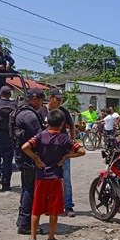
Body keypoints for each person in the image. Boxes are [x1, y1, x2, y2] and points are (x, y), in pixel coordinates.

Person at [21, 109, 86, 240]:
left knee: (36, 209)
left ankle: (33, 239)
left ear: (47, 122)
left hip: (41, 177)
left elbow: (25, 147)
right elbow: (82, 151)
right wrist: (65, 157)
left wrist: (36, 158)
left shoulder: (40, 136)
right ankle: (51, 239)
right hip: (56, 178)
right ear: (62, 124)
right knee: (54, 210)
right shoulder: (64, 138)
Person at [10, 88, 45, 234]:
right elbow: (40, 136)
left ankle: (22, 220)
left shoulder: (20, 111)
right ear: (34, 98)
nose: (42, 105)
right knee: (29, 190)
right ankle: (25, 224)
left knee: (26, 188)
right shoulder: (29, 114)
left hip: (22, 156)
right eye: (41, 101)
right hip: (29, 157)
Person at [38, 88, 77, 217]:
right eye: (58, 98)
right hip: (46, 153)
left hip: (63, 151)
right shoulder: (42, 111)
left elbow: (72, 126)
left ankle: (68, 206)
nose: (60, 101)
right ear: (51, 98)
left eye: (61, 99)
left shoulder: (63, 112)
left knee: (66, 179)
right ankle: (49, 206)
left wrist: (72, 141)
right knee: (48, 179)